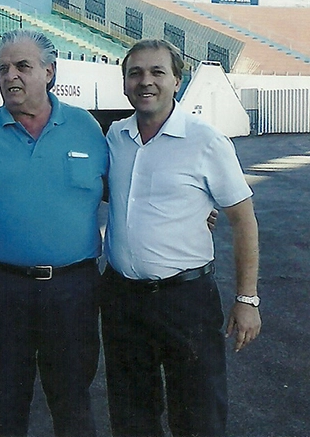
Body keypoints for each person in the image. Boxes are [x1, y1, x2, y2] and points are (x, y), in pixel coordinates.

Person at [0, 29, 107, 437]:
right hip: (0, 290)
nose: (10, 76)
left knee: (72, 403)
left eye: (22, 66)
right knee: (5, 406)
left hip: (73, 291)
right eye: (3, 68)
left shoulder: (85, 127)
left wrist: (192, 210)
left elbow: (126, 191)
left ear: (50, 72)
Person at [101, 39, 261, 437]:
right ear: (124, 83)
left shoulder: (206, 141)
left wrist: (247, 299)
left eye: (157, 72)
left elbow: (243, 221)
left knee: (198, 414)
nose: (145, 81)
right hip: (122, 299)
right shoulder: (114, 137)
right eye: (135, 73)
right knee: (131, 415)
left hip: (185, 301)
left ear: (177, 80)